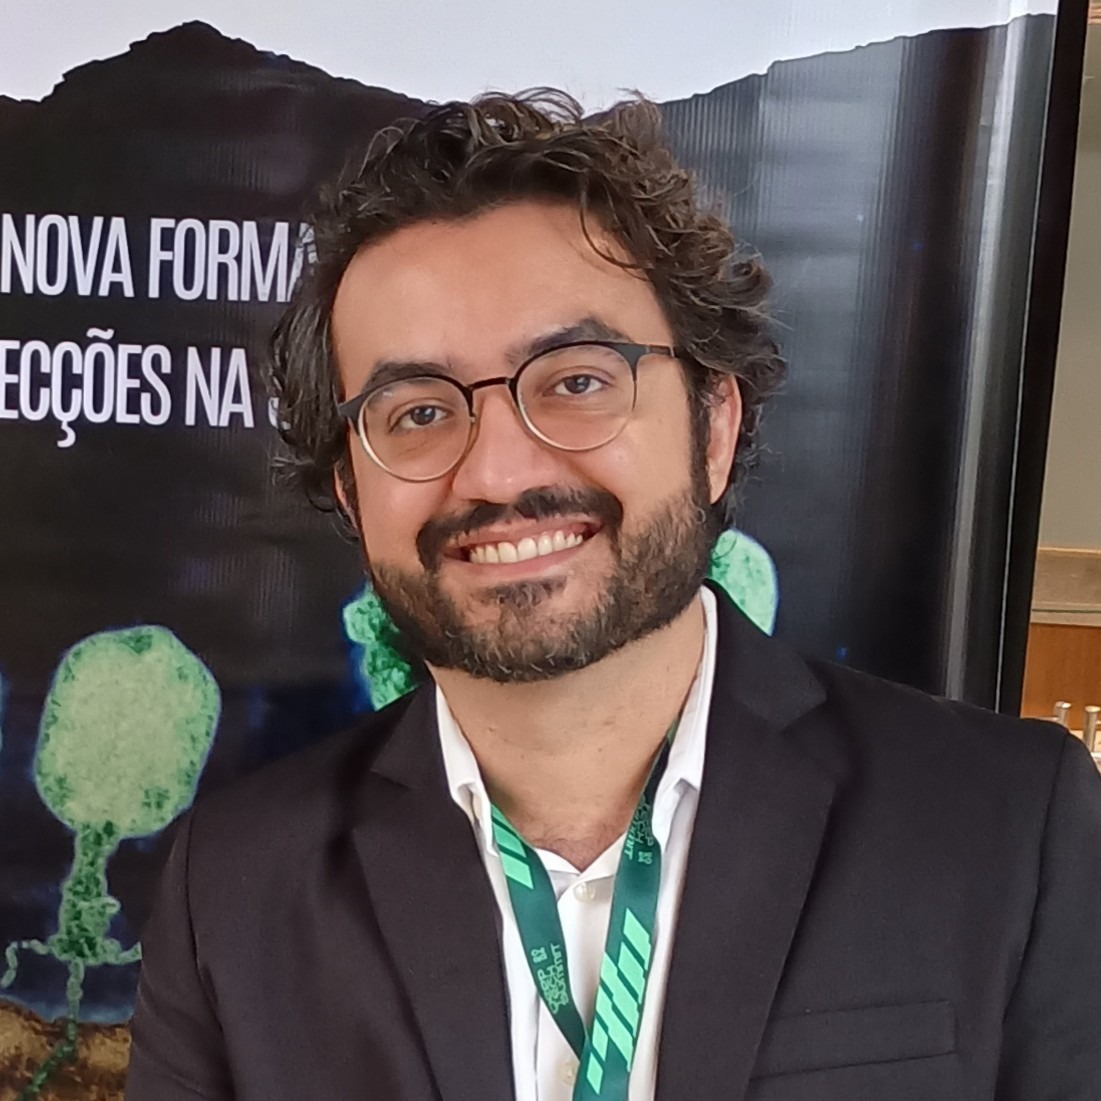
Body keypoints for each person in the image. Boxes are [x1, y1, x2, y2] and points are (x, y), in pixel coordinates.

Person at [125, 91, 1101, 1101]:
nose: (497, 473)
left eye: (578, 380)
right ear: (349, 489)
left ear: (713, 428)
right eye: (416, 411)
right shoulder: (234, 891)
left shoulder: (1006, 825)